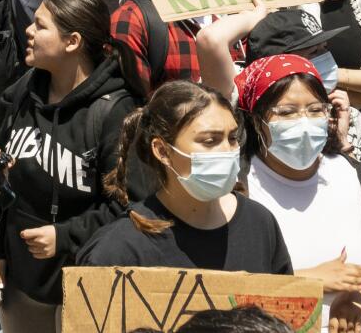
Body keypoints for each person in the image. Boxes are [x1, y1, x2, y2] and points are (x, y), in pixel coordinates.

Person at [0, 0, 138, 331]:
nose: (28, 31)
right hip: (23, 286)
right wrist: (0, 247)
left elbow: (130, 209)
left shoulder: (115, 112)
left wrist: (65, 236)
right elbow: (8, 188)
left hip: (86, 286)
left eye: (41, 26)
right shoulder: (25, 92)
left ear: (72, 41)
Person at [79, 80, 292, 275]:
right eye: (210, 141)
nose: (228, 150)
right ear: (162, 151)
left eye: (233, 138)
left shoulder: (260, 224)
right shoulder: (119, 249)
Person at [238, 54, 361, 332]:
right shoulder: (241, 187)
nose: (303, 122)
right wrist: (307, 281)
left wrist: (358, 297)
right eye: (286, 112)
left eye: (315, 109)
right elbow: (228, 283)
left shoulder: (351, 173)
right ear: (257, 121)